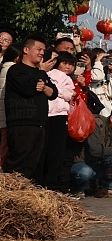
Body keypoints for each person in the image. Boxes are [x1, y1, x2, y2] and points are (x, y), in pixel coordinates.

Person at [3, 36, 58, 180]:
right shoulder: (16, 70)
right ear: (26, 50)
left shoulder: (41, 73)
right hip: (22, 123)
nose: (42, 53)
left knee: (32, 165)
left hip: (40, 123)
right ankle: (10, 191)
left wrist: (43, 86)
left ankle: (24, 194)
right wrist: (41, 83)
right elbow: (28, 89)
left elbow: (53, 93)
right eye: (39, 49)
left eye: (43, 50)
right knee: (18, 162)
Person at [39, 52, 77, 192]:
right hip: (44, 115)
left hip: (60, 116)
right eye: (65, 63)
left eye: (71, 64)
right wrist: (58, 91)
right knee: (43, 151)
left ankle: (52, 185)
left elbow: (69, 94)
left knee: (57, 152)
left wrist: (53, 90)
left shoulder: (68, 79)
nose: (67, 67)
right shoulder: (47, 73)